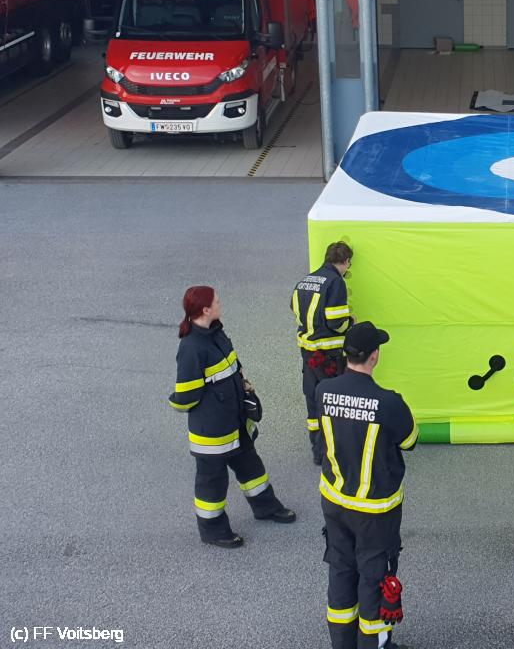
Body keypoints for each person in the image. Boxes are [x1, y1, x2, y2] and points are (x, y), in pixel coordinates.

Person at [170, 286, 295, 548]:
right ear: (205, 310)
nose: (221, 304)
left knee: (251, 466)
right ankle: (213, 531)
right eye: (217, 302)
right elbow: (186, 396)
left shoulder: (216, 333)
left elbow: (233, 370)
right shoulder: (191, 347)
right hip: (212, 430)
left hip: (234, 420)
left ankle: (266, 507)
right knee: (212, 482)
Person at [318, 321, 418, 649]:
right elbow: (410, 440)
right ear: (374, 356)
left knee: (341, 572)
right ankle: (374, 645)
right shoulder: (388, 402)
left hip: (334, 501)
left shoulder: (323, 391)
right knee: (375, 580)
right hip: (375, 511)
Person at [293, 241, 355, 465]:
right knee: (335, 401)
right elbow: (336, 322)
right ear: (346, 261)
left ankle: (318, 451)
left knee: (313, 400)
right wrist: (351, 321)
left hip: (308, 354)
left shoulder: (306, 280)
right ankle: (336, 451)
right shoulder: (336, 282)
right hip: (329, 355)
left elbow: (294, 309)